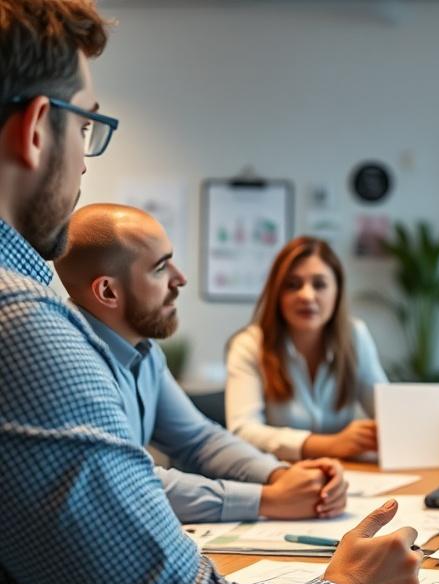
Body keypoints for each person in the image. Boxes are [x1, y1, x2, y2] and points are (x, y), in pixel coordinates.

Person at [0, 3, 417, 584]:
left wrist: (283, 478)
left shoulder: (62, 334)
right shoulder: (23, 331)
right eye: (88, 124)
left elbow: (198, 441)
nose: (88, 158)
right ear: (35, 128)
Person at [56, 203, 349, 526]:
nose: (179, 279)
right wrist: (267, 500)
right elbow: (128, 483)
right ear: (108, 291)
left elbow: (199, 439)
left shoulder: (143, 350)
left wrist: (282, 475)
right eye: (160, 267)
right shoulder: (73, 364)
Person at [226, 236, 387, 461]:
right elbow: (242, 432)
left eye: (319, 284)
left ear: (337, 292)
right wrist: (329, 445)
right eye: (293, 285)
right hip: (278, 480)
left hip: (347, 479)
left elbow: (387, 414)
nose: (307, 295)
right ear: (277, 294)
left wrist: (382, 433)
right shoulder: (249, 344)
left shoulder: (355, 336)